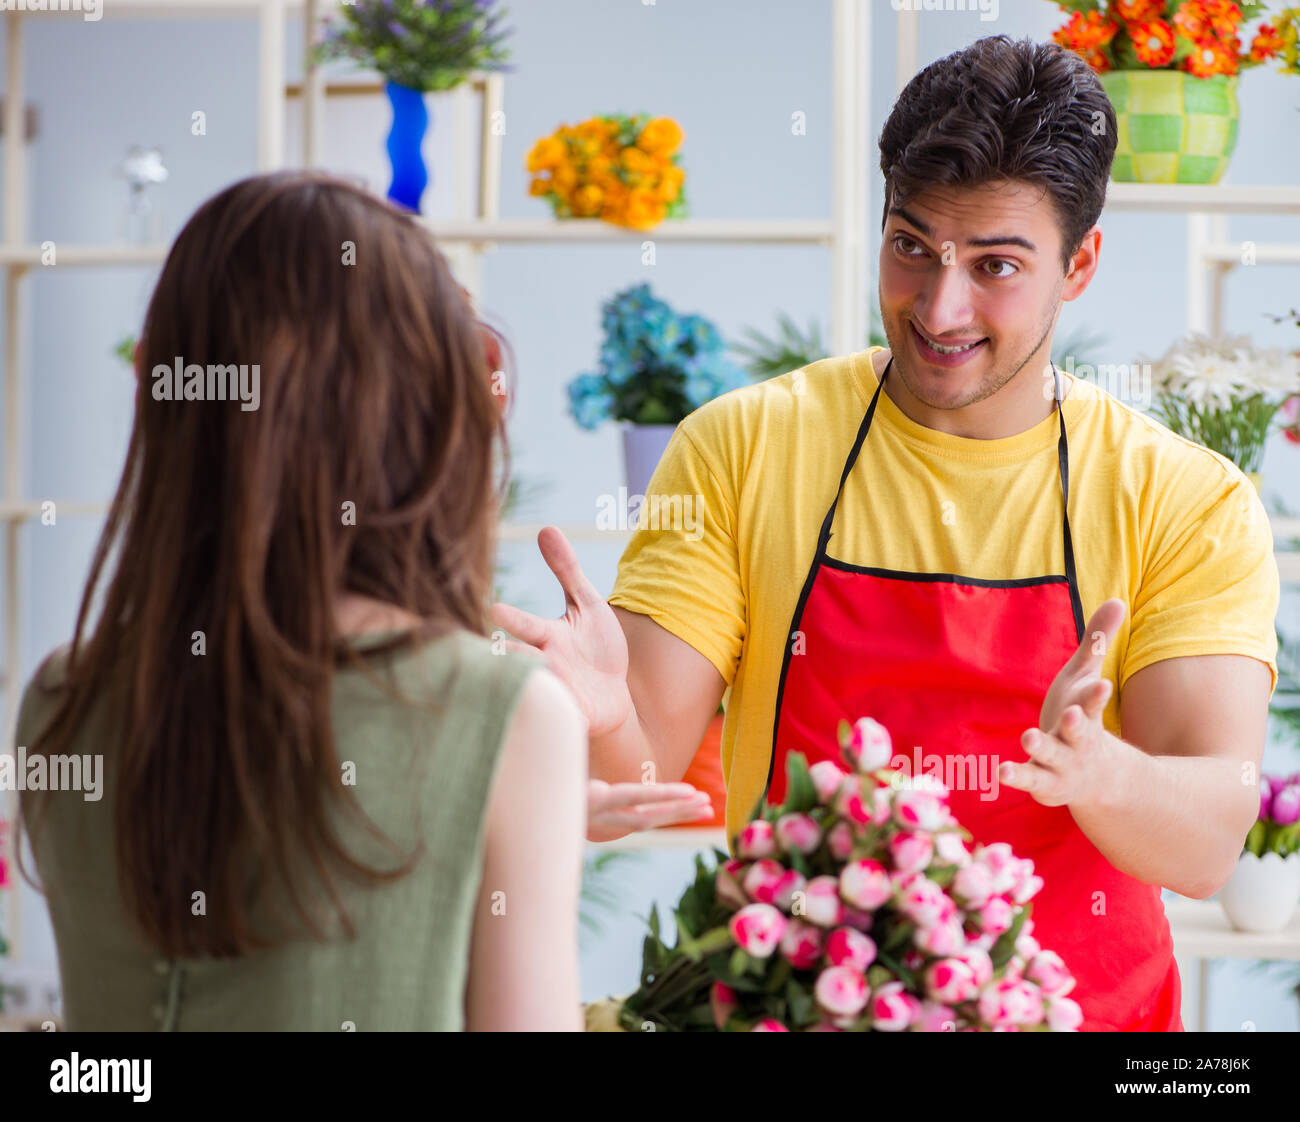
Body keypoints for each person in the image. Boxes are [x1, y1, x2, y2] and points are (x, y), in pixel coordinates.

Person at [492, 36, 1280, 1032]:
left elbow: (1208, 842)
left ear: (1079, 264)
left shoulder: (1183, 498)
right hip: (806, 1008)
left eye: (995, 265)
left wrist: (1101, 771)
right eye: (911, 247)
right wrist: (601, 720)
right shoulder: (744, 447)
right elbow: (639, 776)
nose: (940, 307)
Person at [14, 171, 706, 1031]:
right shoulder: (503, 715)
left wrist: (503, 823)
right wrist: (514, 809)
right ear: (417, 419)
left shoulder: (61, 700)